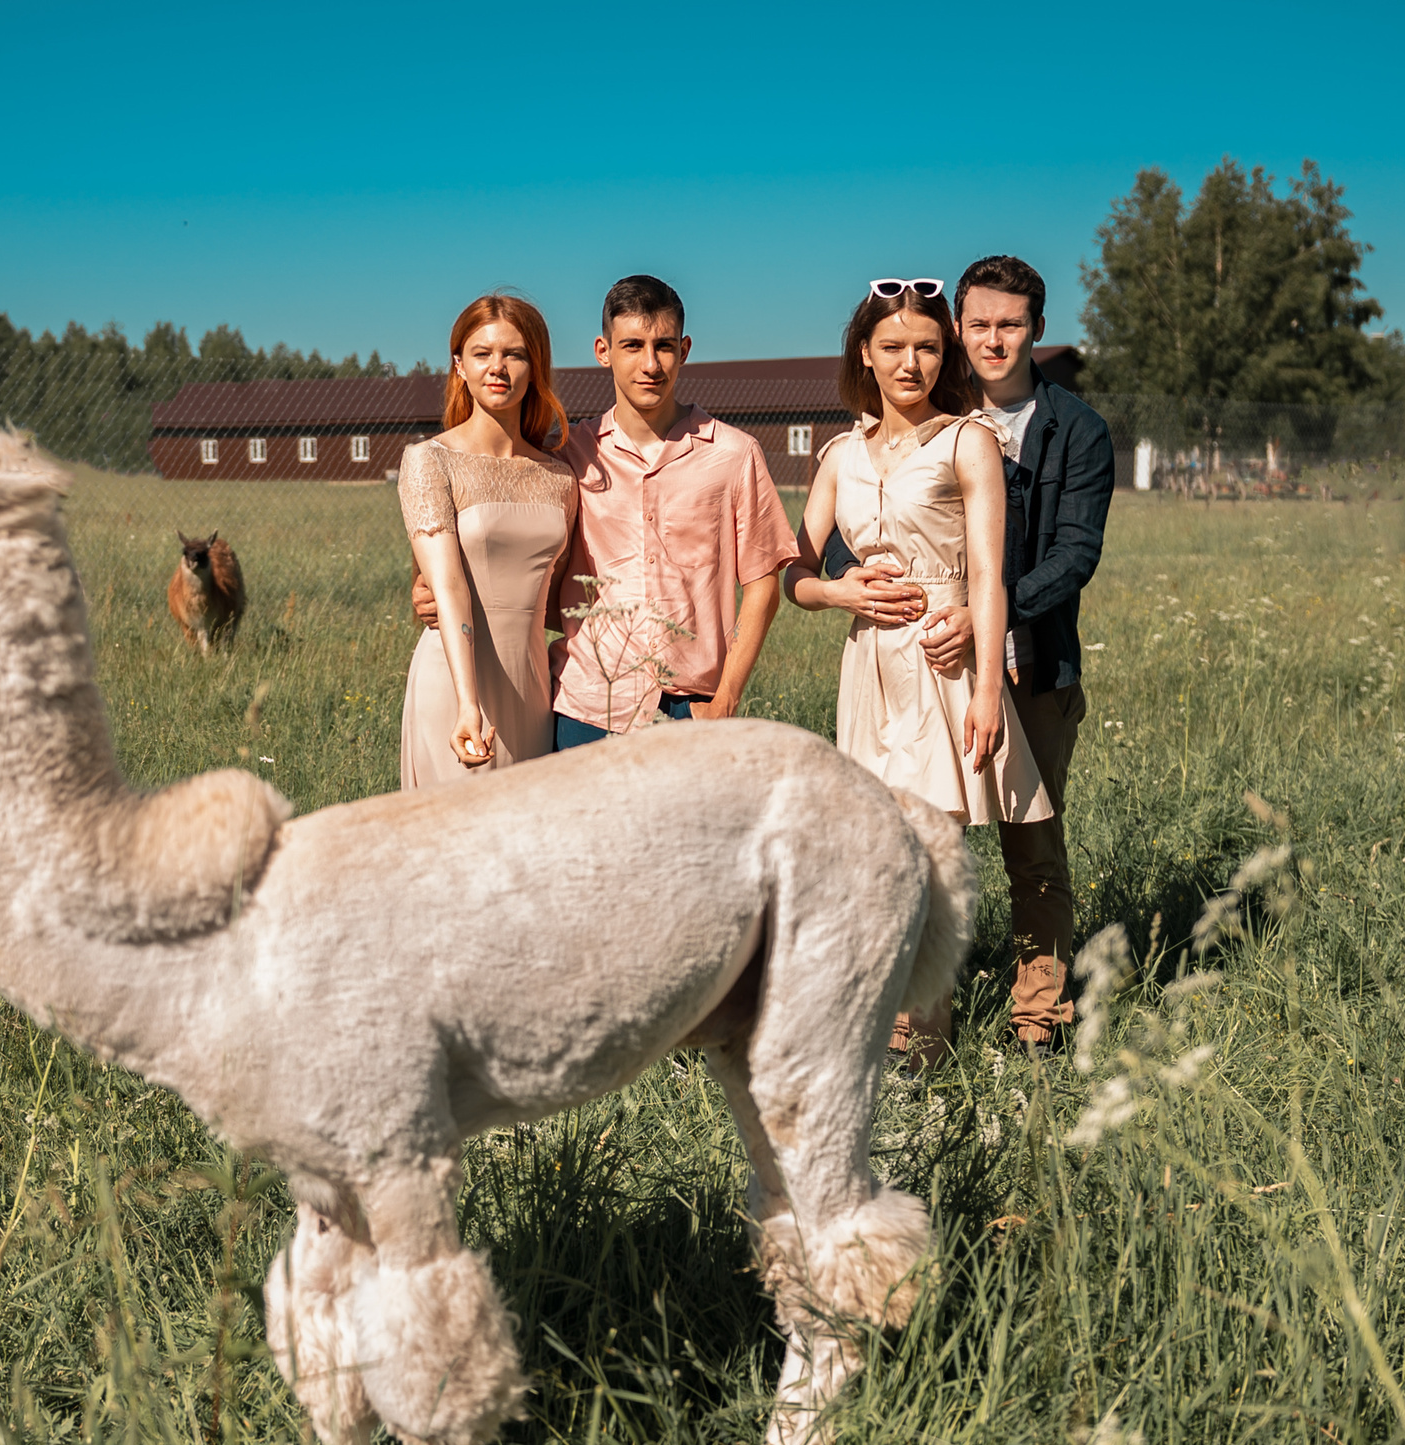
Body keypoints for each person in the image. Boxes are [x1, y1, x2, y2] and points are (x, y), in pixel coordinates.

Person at [786, 278, 1052, 1054]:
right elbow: (790, 576)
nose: (912, 363)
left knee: (932, 853)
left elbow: (990, 576)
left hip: (945, 662)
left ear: (947, 354)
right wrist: (839, 591)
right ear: (865, 355)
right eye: (894, 347)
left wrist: (989, 694)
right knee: (878, 852)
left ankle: (920, 1039)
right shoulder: (838, 453)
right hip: (869, 664)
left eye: (928, 347)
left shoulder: (967, 440)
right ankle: (893, 1030)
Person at [415, 275, 797, 745]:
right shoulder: (568, 456)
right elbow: (504, 534)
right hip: (584, 704)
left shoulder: (735, 454)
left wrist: (726, 701)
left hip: (690, 707)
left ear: (686, 349)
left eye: (665, 346)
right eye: (632, 346)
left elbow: (763, 586)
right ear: (603, 351)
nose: (650, 364)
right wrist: (431, 585)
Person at [920, 255, 1115, 1052]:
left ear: (1035, 326)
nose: (992, 341)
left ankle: (1038, 1022)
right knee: (931, 852)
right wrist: (844, 578)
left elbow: (1074, 555)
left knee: (1032, 851)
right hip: (928, 674)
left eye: (1009, 324)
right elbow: (853, 514)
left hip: (1034, 668)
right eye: (978, 325)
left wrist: (988, 617)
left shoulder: (1078, 430)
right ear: (957, 327)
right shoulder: (924, 412)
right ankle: (917, 1027)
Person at [396, 295, 576, 789]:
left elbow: (559, 597)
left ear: (535, 367)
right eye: (482, 353)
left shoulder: (561, 478)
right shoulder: (428, 461)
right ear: (459, 365)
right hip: (456, 682)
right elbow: (448, 587)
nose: (497, 367)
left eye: (515, 354)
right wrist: (467, 704)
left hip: (533, 686)